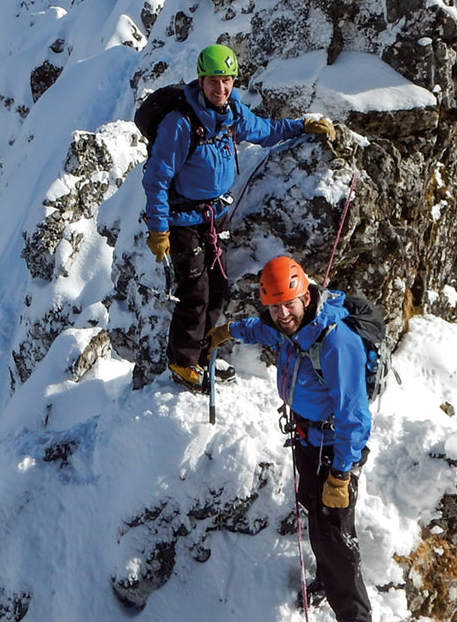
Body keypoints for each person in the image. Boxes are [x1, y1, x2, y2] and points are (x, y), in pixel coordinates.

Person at [206, 256, 373, 622]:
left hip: (333, 449)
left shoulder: (335, 343)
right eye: (275, 306)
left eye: (289, 304)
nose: (282, 314)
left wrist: (340, 472)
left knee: (335, 534)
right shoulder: (290, 329)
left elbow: (356, 417)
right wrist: (231, 330)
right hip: (306, 438)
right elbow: (264, 329)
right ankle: (324, 579)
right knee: (313, 513)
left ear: (305, 295)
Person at [143, 44, 335, 392]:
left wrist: (301, 127)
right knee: (195, 291)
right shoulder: (180, 124)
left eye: (227, 81)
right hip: (182, 221)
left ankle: (200, 356)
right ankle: (182, 363)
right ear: (200, 81)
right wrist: (159, 229)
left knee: (217, 287)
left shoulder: (232, 115)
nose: (221, 89)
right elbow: (157, 177)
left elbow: (265, 131)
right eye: (214, 81)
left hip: (213, 217)